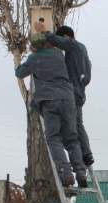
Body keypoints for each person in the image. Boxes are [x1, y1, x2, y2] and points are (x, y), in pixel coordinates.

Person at [15, 33, 88, 187]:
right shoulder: (58, 54)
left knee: (54, 138)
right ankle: (81, 172)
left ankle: (66, 173)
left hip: (49, 101)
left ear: (34, 47)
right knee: (72, 138)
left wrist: (18, 57)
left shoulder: (34, 58)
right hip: (68, 99)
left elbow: (20, 73)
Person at [37, 23, 94, 166]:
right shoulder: (83, 51)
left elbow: (60, 42)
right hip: (80, 92)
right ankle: (86, 154)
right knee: (78, 124)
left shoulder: (73, 46)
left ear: (67, 37)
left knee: (68, 129)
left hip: (71, 93)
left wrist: (45, 32)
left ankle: (75, 159)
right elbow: (86, 77)